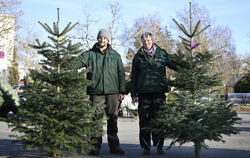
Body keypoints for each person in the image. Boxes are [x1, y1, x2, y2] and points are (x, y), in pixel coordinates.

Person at [71, 29, 125, 155]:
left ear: (108, 40)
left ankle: (114, 147)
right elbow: (76, 63)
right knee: (96, 120)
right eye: (100, 38)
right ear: (98, 39)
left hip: (113, 92)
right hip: (96, 92)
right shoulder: (90, 54)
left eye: (105, 38)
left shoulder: (115, 55)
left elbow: (121, 74)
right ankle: (95, 147)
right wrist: (63, 64)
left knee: (113, 119)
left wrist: (122, 91)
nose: (102, 40)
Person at [130, 32, 177, 155]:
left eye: (149, 40)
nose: (147, 43)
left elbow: (174, 64)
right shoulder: (138, 56)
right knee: (144, 120)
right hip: (143, 93)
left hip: (159, 93)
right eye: (144, 41)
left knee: (159, 119)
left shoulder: (162, 54)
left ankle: (159, 146)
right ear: (142, 43)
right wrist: (133, 93)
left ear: (153, 40)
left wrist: (188, 65)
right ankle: (146, 147)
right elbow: (133, 76)